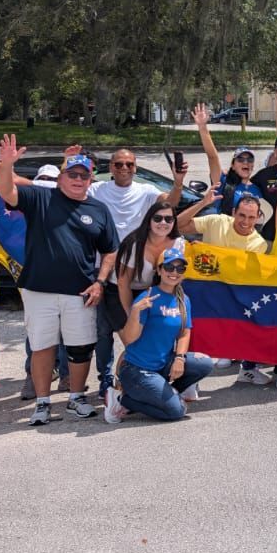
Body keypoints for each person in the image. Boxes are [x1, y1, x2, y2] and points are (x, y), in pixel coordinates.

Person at [0, 139, 119, 426]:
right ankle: (42, 403)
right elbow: (6, 191)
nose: (78, 180)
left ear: (91, 180)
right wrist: (7, 164)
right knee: (43, 347)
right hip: (38, 289)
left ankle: (76, 398)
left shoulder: (99, 210)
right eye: (72, 174)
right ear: (62, 177)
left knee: (79, 348)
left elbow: (110, 250)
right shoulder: (40, 197)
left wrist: (100, 281)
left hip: (81, 291)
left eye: (83, 176)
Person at [86, 146, 187, 399]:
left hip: (142, 283)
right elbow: (66, 190)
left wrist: (177, 182)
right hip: (110, 276)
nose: (124, 169)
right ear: (110, 168)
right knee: (103, 334)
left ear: (136, 168)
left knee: (136, 342)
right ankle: (107, 381)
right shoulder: (97, 190)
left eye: (129, 164)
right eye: (118, 164)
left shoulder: (146, 192)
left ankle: (135, 383)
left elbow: (169, 204)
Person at [176, 187, 277, 387]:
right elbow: (178, 225)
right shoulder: (217, 220)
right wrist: (203, 204)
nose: (245, 222)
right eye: (241, 215)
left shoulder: (258, 243)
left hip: (232, 291)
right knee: (193, 330)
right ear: (233, 213)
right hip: (204, 287)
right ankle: (188, 378)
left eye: (251, 217)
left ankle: (247, 369)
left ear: (258, 217)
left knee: (256, 317)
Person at [103, 243, 215, 423]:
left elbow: (185, 332)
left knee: (205, 363)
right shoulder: (147, 297)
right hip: (137, 370)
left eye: (180, 268)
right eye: (169, 266)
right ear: (159, 270)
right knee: (176, 411)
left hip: (163, 364)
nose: (175, 272)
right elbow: (131, 340)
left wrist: (179, 358)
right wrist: (135, 312)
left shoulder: (183, 299)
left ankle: (166, 393)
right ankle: (121, 400)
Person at [114, 201, 187, 328]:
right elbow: (123, 283)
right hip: (121, 291)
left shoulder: (179, 244)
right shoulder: (134, 244)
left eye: (169, 219)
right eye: (158, 219)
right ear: (149, 221)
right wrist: (132, 315)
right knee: (129, 336)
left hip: (152, 292)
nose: (163, 223)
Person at [191, 103, 260, 216]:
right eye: (240, 159)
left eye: (249, 159)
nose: (245, 162)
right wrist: (202, 127)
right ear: (233, 165)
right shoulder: (223, 182)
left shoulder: (257, 190)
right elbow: (212, 157)